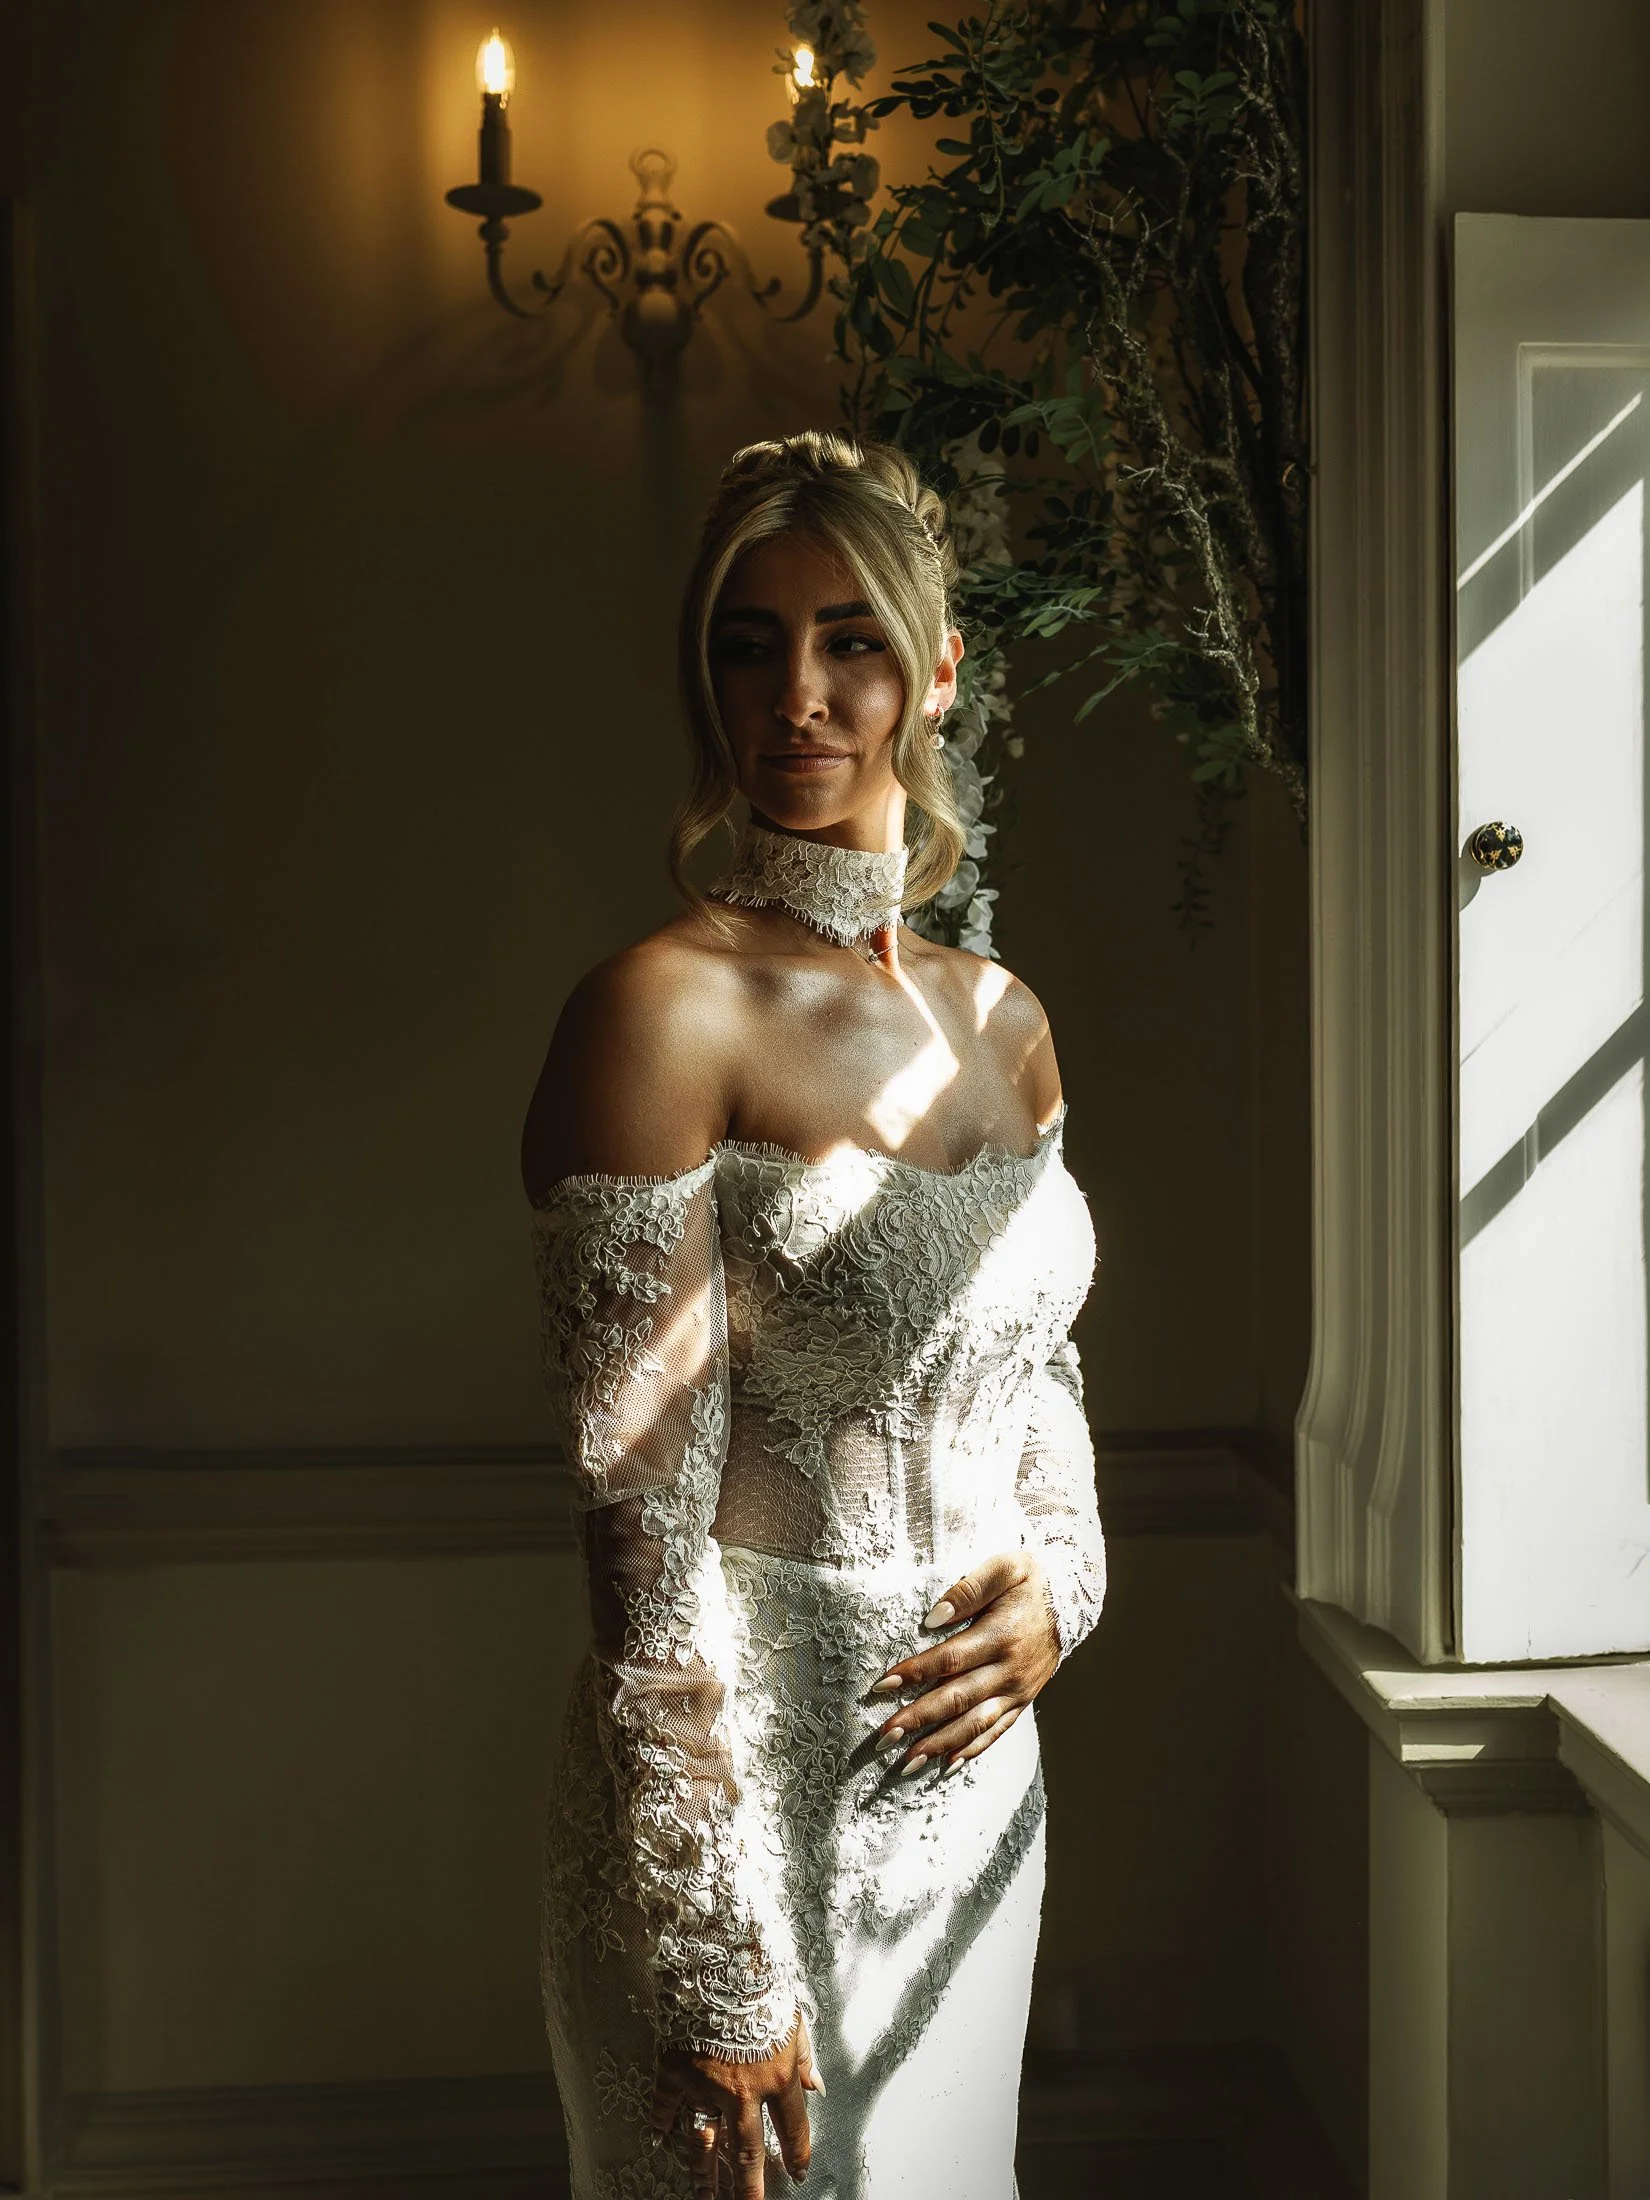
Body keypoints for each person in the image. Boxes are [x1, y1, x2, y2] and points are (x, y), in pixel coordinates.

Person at [521, 429, 1106, 2200]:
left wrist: (1064, 1583)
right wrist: (715, 1954)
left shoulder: (1002, 1018)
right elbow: (638, 1533)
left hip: (971, 1798)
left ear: (936, 673)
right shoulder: (658, 1015)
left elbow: (1037, 1362)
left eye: (851, 641)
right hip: (742, 1824)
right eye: (747, 643)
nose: (797, 695)